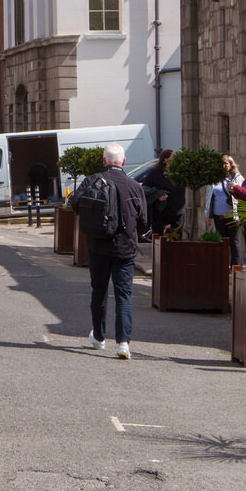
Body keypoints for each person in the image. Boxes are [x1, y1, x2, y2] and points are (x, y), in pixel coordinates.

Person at [85, 142, 148, 360]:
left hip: (98, 246)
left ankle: (100, 338)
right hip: (125, 249)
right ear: (123, 161)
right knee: (123, 295)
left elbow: (76, 204)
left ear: (104, 161)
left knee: (99, 291)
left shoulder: (92, 181)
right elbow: (145, 221)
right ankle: (123, 343)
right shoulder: (134, 186)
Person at [142, 149, 185, 237]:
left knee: (176, 239)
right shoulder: (156, 173)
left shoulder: (177, 172)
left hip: (177, 212)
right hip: (161, 212)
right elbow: (144, 188)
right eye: (173, 157)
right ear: (165, 159)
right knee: (160, 238)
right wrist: (158, 195)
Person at [209, 155, 243, 267]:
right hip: (218, 215)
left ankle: (236, 266)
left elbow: (243, 193)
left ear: (231, 165)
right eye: (221, 164)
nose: (223, 166)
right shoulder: (214, 179)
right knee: (222, 241)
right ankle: (223, 265)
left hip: (232, 215)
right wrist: (208, 215)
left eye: (226, 164)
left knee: (234, 241)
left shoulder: (237, 178)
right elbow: (209, 197)